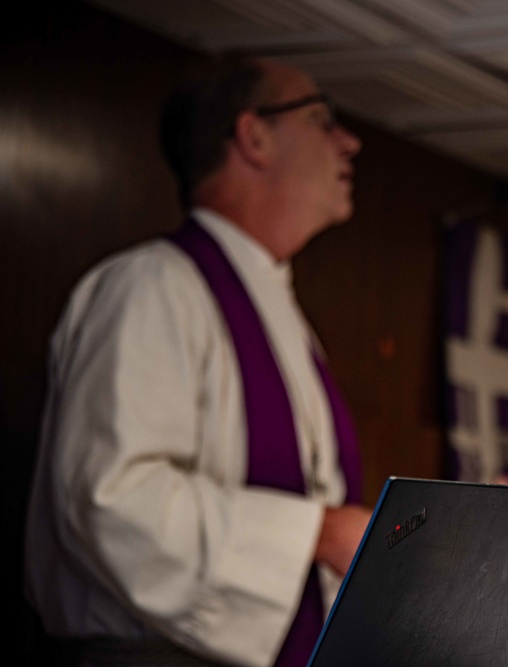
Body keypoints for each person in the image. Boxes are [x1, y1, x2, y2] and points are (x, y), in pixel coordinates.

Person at [23, 57, 371, 667]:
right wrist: (315, 532)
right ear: (253, 136)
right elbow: (113, 499)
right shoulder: (150, 287)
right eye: (321, 120)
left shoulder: (282, 315)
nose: (349, 141)